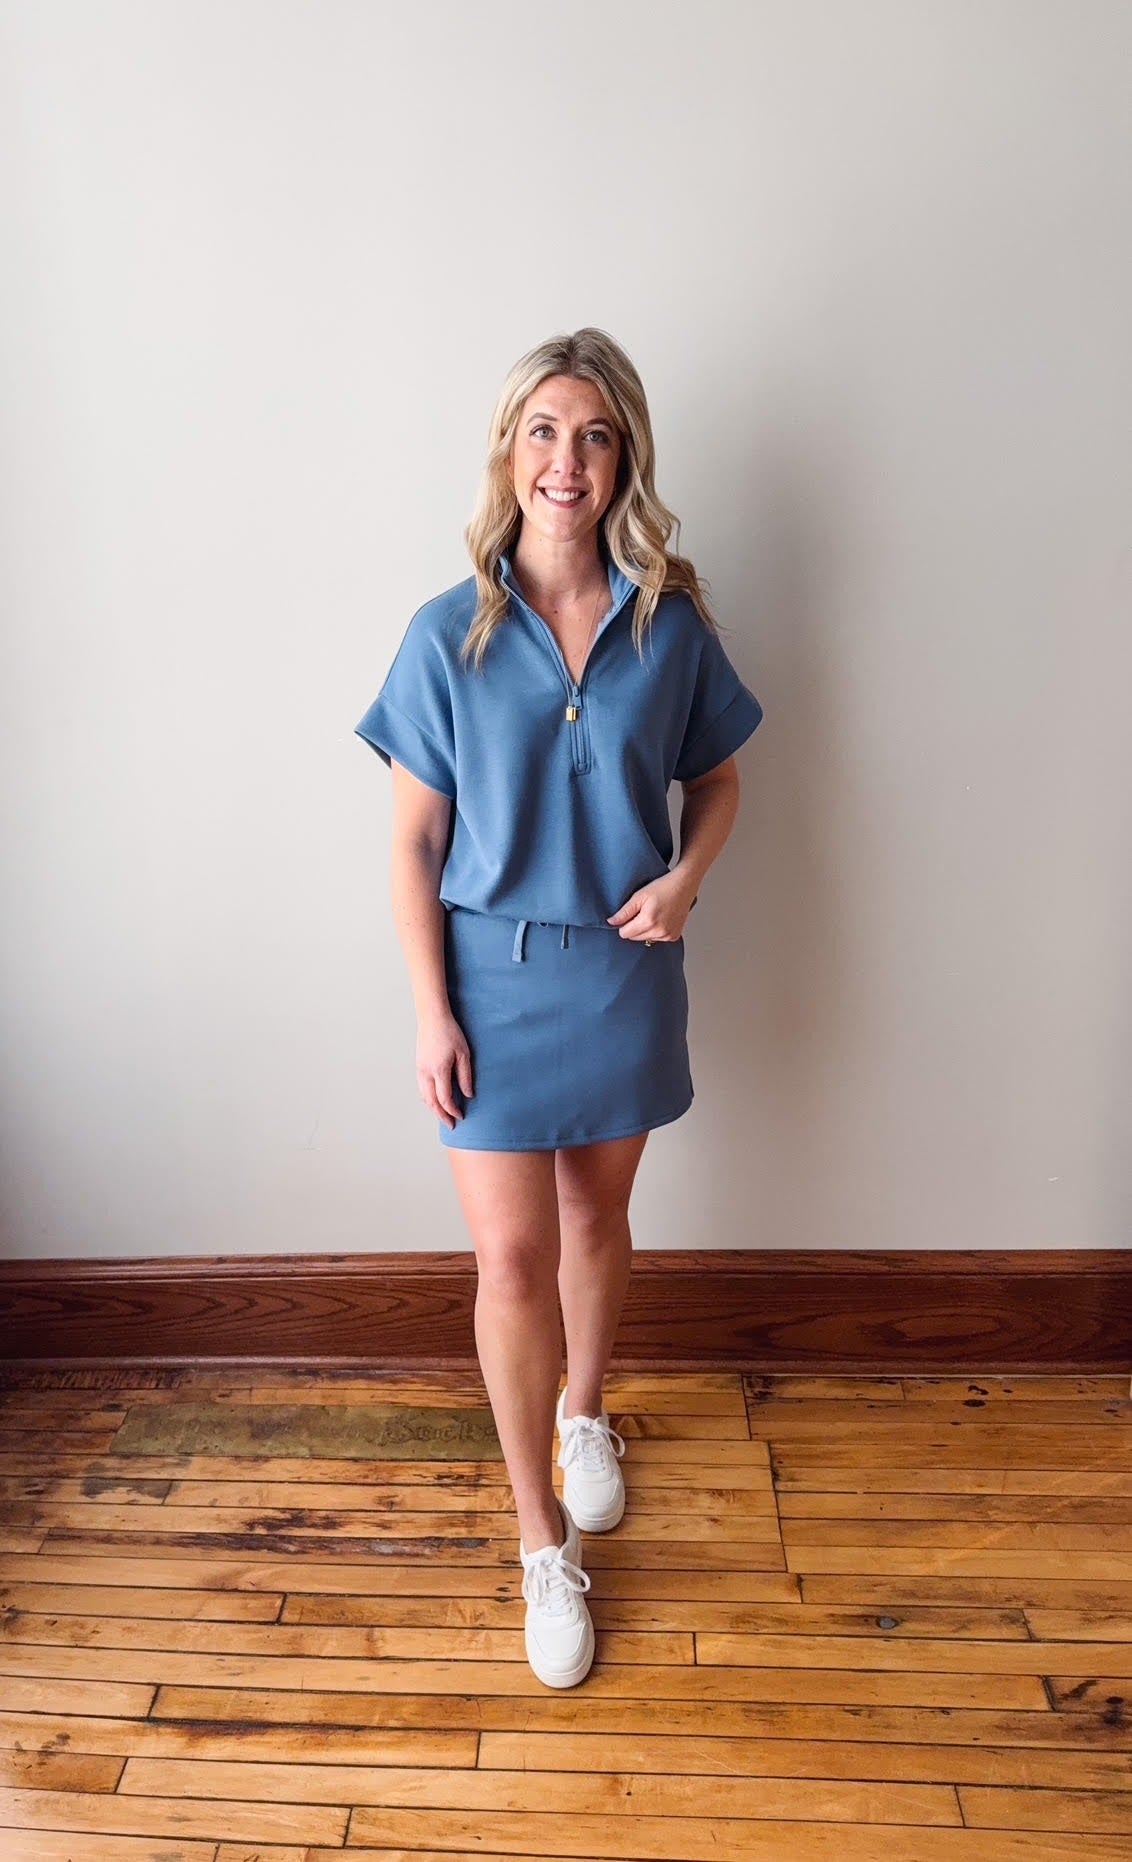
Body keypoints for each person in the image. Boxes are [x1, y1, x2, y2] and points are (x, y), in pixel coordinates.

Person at [355, 327, 764, 1689]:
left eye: (591, 434)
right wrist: (431, 1011)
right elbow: (411, 846)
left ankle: (586, 1413)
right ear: (509, 452)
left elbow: (720, 780)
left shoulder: (671, 621)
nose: (565, 459)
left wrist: (690, 880)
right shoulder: (446, 633)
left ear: (623, 454)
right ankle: (542, 1538)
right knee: (510, 1261)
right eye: (542, 430)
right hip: (488, 980)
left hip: (622, 973)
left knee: (600, 1220)